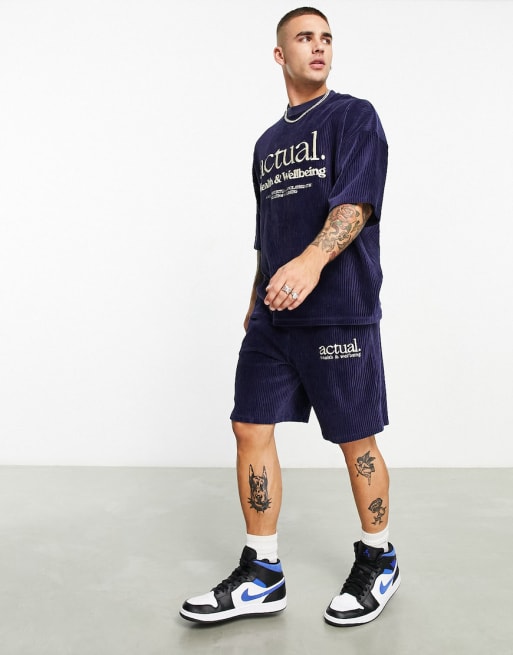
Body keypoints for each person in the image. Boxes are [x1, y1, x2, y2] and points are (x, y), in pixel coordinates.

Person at [180, 6, 400, 627]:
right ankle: (262, 571)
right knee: (248, 426)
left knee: (355, 439)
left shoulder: (354, 116)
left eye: (326, 37)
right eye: (305, 38)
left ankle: (379, 557)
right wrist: (256, 297)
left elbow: (356, 205)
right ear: (281, 55)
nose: (319, 46)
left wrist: (310, 263)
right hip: (274, 318)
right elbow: (267, 231)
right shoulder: (266, 145)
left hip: (338, 312)